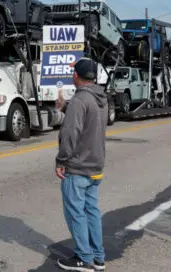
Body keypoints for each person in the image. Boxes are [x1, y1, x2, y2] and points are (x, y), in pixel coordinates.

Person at [55, 58, 108, 272]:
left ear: (76, 75)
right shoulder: (101, 98)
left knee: (75, 212)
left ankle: (84, 259)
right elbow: (89, 120)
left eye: (72, 73)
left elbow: (70, 133)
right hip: (96, 165)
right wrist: (66, 106)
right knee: (92, 212)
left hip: (78, 167)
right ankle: (98, 257)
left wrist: (61, 160)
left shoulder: (80, 100)